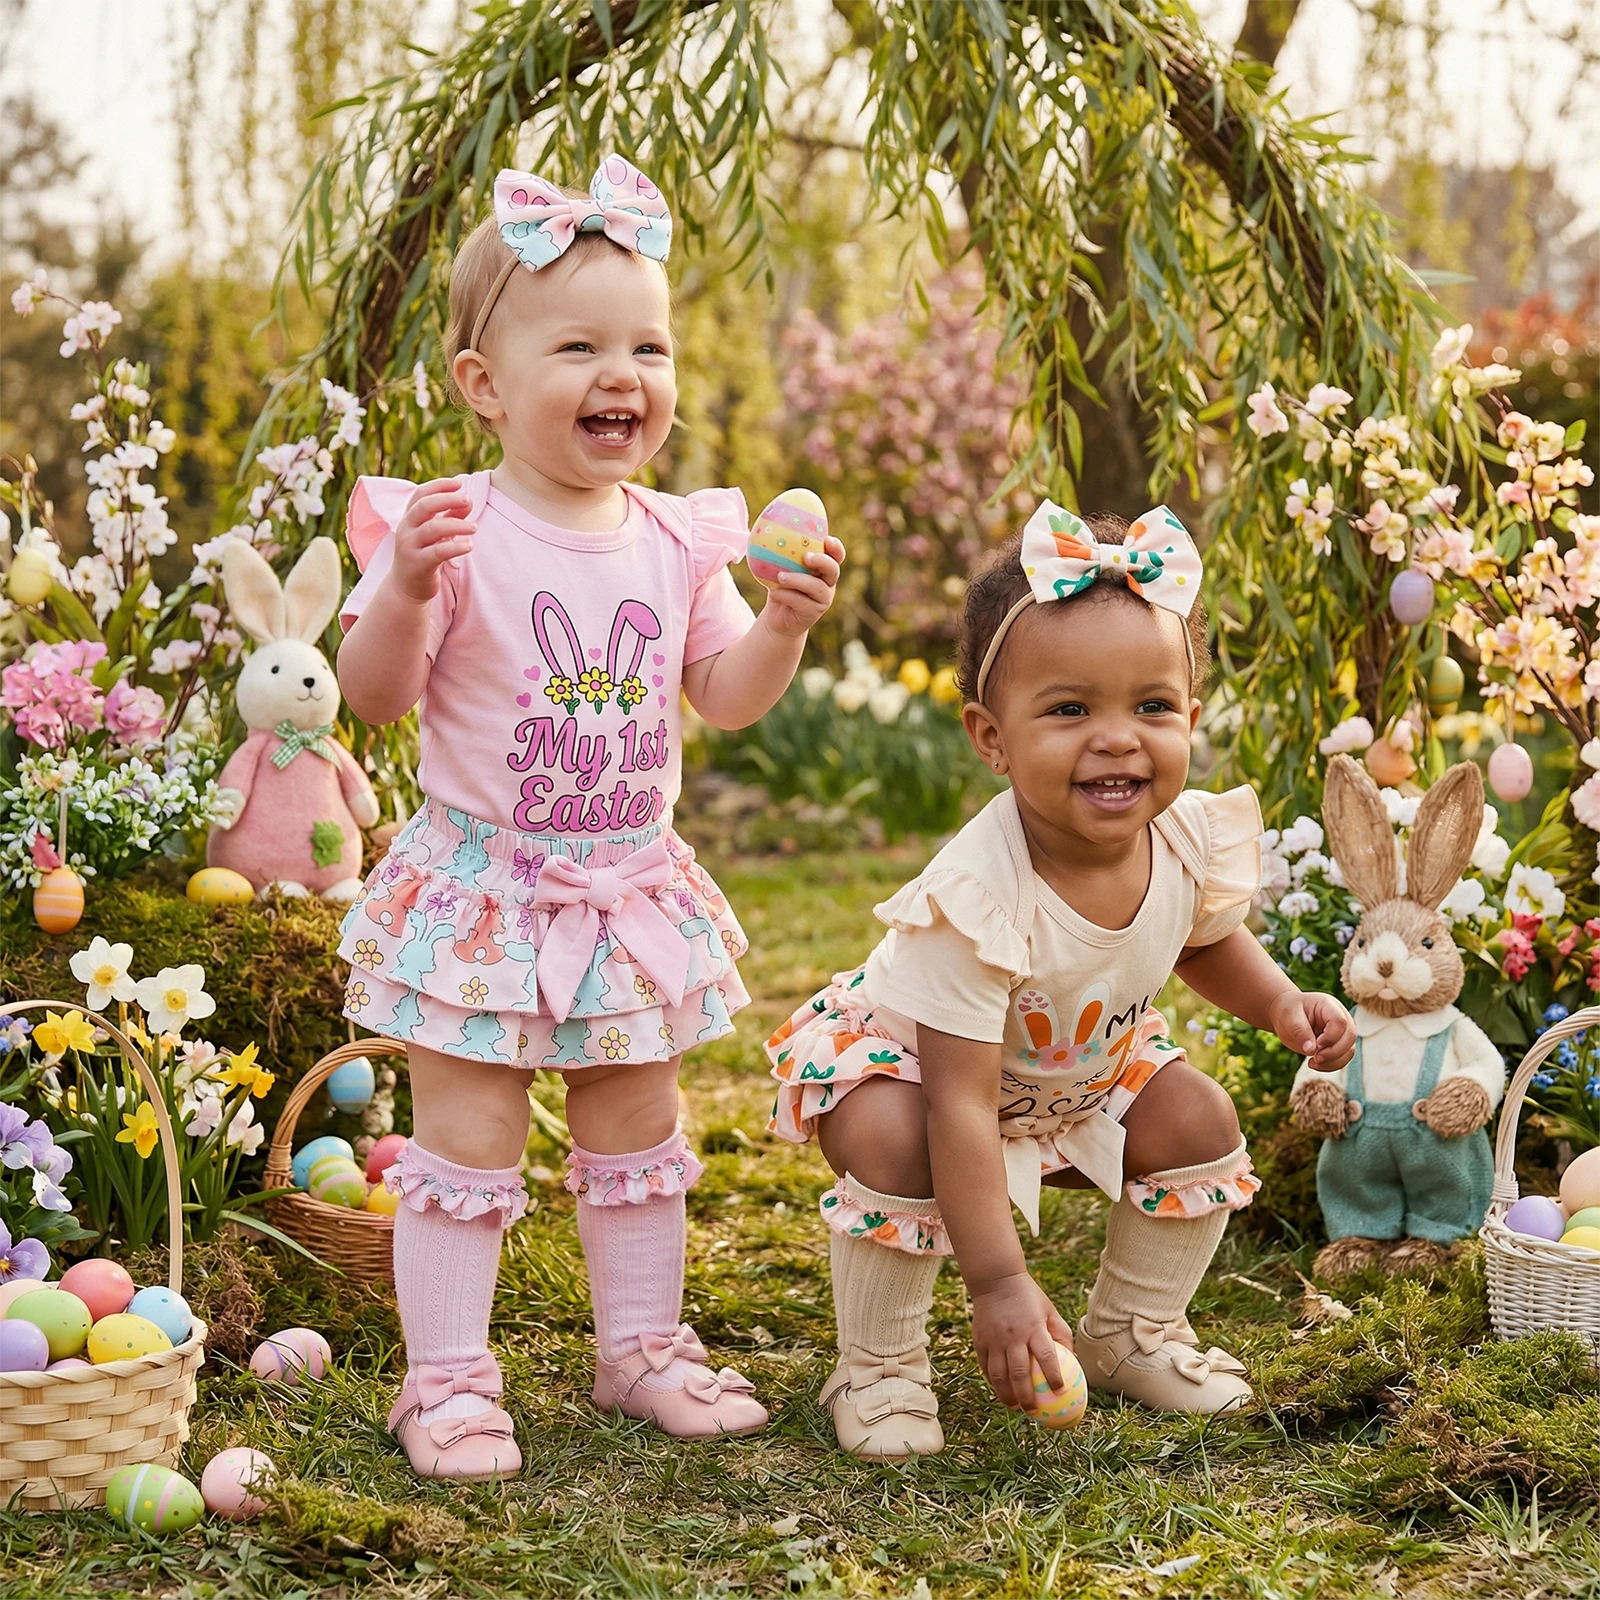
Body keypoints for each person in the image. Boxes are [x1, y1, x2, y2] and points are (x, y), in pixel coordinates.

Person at [336, 156, 843, 1478]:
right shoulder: (452, 529)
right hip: (486, 890)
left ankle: (640, 1349)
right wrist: (404, 594)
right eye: (578, 347)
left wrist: (783, 625)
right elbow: (374, 698)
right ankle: (446, 1383)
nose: (623, 374)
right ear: (483, 384)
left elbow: (724, 697)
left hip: (625, 886)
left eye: (647, 347)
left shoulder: (676, 539)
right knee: (467, 1136)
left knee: (636, 1125)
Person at [766, 502, 1355, 1458]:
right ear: (991, 737)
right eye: (1070, 710)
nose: (1118, 738)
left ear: (1191, 717)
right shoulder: (977, 898)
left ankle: (1130, 1334)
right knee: (894, 1136)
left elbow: (1204, 940)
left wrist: (1281, 1002)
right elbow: (958, 1105)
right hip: (925, 1081)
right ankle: (878, 1365)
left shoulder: (1184, 838)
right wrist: (999, 1284)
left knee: (1198, 1120)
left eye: (1152, 707)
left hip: (1070, 1073)